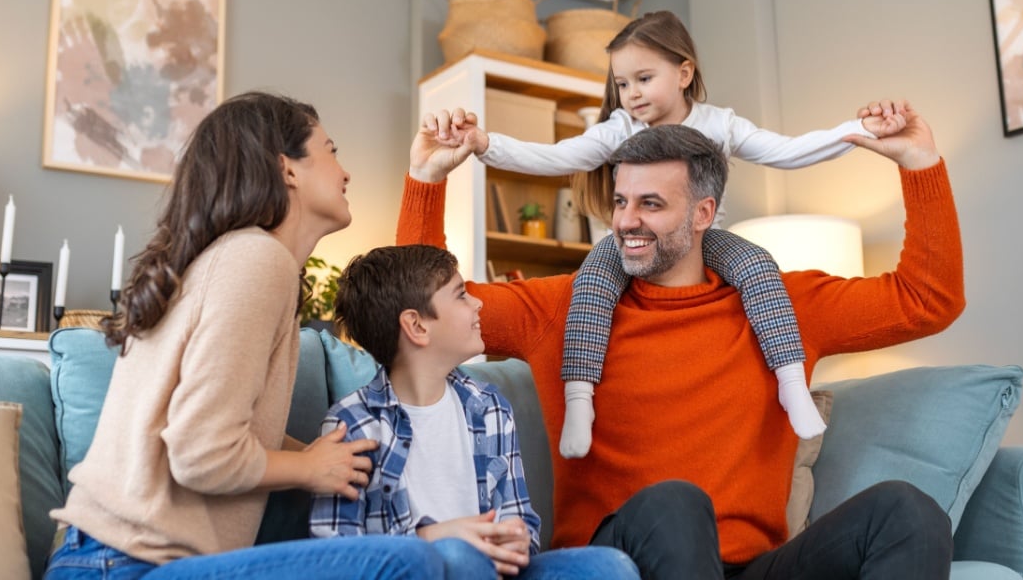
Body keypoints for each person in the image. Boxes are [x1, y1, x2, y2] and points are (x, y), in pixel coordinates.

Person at [402, 100, 964, 579]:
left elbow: (927, 300)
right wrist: (427, 178)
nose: (626, 221)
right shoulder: (562, 307)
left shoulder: (781, 306)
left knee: (906, 510)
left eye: (650, 204)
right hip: (620, 559)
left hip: (751, 566)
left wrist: (919, 163)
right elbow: (422, 310)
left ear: (703, 214)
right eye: (621, 201)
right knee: (677, 502)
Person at [453, 10, 905, 456]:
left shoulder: (719, 124)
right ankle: (579, 400)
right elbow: (557, 157)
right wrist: (485, 144)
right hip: (634, 245)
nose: (631, 94)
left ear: (684, 73)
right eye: (622, 84)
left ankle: (791, 385)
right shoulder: (619, 128)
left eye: (644, 79)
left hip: (707, 241)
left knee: (759, 267)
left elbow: (786, 151)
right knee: (590, 283)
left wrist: (858, 130)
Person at [45, 92, 459, 579]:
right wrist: (309, 470)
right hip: (120, 564)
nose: (345, 173)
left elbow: (223, 425)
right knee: (406, 562)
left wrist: (319, 455)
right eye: (331, 151)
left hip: (121, 560)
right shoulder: (256, 260)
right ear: (287, 169)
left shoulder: (246, 260)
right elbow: (201, 453)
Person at [309, 244, 640, 580]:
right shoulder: (354, 424)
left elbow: (521, 521)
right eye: (461, 295)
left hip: (499, 572)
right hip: (422, 572)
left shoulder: (490, 408)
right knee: (458, 555)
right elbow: (338, 557)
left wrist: (517, 538)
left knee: (607, 565)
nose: (478, 302)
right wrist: (431, 539)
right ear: (417, 326)